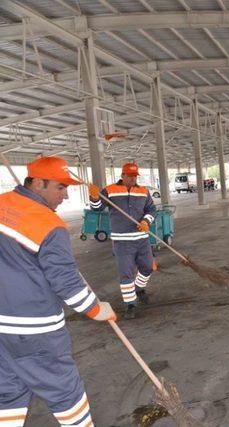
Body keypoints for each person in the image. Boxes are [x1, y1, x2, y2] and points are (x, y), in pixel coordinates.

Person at [0, 156, 116, 426]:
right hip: (35, 330)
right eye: (60, 187)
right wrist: (97, 309)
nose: (65, 195)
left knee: (7, 393)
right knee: (66, 393)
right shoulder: (50, 225)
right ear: (38, 183)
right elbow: (66, 283)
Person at [89, 163, 156, 319]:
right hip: (122, 242)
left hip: (142, 240)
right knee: (126, 274)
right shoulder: (110, 190)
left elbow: (151, 209)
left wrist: (146, 221)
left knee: (147, 268)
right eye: (130, 175)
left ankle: (139, 288)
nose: (133, 178)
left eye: (135, 176)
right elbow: (97, 208)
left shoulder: (143, 191)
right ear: (123, 175)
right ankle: (131, 305)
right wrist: (94, 197)